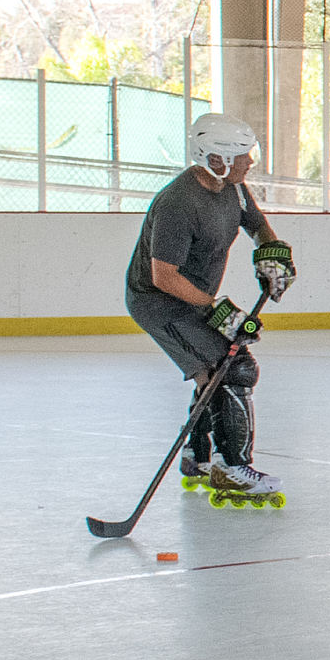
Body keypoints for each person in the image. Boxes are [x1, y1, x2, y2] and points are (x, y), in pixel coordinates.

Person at [127, 111, 297, 506]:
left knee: (214, 372)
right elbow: (163, 277)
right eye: (242, 156)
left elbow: (256, 224)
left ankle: (198, 454)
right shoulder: (178, 204)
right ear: (215, 159)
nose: (250, 162)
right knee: (236, 367)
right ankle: (233, 467)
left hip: (195, 297)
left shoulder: (233, 188)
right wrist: (220, 310)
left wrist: (269, 254)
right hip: (160, 303)